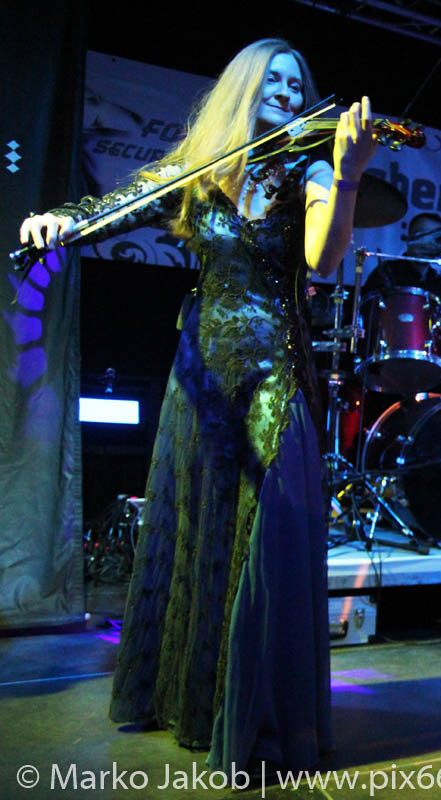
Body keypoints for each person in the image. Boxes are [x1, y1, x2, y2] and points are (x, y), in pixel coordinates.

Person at [19, 39, 378, 771]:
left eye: (297, 82)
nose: (287, 91)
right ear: (243, 87)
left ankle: (258, 716)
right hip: (202, 377)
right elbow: (113, 208)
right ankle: (193, 700)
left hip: (275, 373)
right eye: (273, 79)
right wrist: (62, 221)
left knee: (266, 540)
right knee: (201, 534)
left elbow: (322, 258)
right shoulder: (200, 169)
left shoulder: (309, 170)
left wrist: (347, 174)